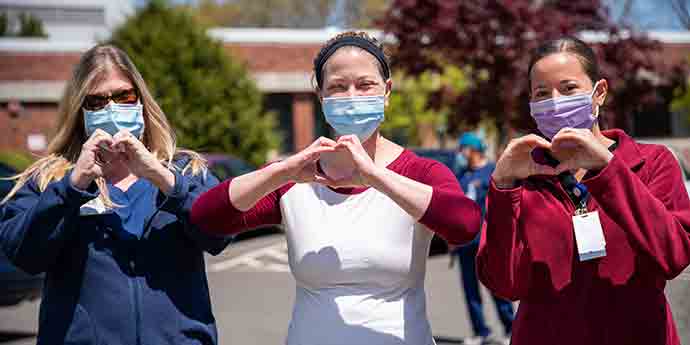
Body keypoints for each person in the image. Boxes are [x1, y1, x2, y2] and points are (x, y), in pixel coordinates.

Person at [190, 31, 481, 345]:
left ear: (387, 91)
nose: (352, 96)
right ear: (320, 96)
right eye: (338, 87)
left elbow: (465, 225)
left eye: (365, 85)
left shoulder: (420, 172)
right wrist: (281, 171)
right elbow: (207, 218)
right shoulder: (296, 178)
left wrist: (376, 177)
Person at [0, 45, 230, 345]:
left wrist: (162, 178)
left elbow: (219, 235)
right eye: (96, 101)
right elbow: (24, 256)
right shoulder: (49, 180)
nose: (111, 108)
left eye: (124, 96)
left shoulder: (186, 171)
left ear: (142, 101)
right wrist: (73, 186)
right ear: (79, 110)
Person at [476, 36, 690, 345]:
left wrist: (608, 170)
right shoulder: (522, 176)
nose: (555, 101)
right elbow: (504, 284)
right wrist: (503, 186)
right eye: (541, 93)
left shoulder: (652, 163)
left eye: (568, 88)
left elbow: (674, 256)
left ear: (599, 92)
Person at [451, 132, 513, 345]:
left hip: (488, 242)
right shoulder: (462, 175)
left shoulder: (491, 172)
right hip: (464, 244)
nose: (461, 153)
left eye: (464, 148)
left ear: (474, 150)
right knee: (470, 290)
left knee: (497, 288)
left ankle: (510, 328)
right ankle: (481, 331)